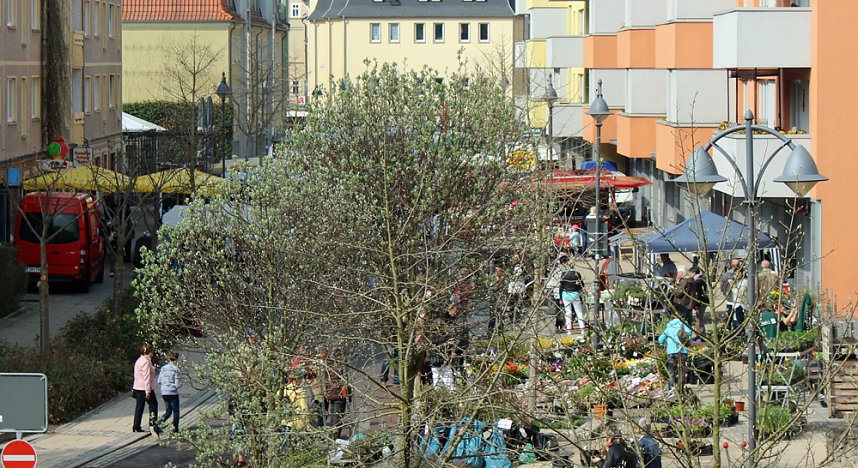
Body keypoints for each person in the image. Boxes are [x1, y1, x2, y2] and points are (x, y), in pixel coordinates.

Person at [658, 311, 692, 394]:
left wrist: (666, 342)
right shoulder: (684, 325)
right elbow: (690, 333)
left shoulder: (669, 327)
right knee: (682, 370)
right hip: (682, 351)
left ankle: (671, 389)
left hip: (671, 352)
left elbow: (660, 340)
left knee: (671, 370)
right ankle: (681, 389)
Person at [132, 343, 160, 438]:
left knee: (139, 407)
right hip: (145, 388)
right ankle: (153, 425)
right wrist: (148, 391)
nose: (152, 353)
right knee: (153, 405)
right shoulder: (146, 362)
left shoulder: (139, 360)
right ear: (149, 352)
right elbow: (146, 377)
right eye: (151, 351)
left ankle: (136, 426)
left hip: (137, 387)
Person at [324, 349, 349, 440]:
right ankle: (335, 436)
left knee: (333, 416)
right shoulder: (341, 368)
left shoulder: (328, 367)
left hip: (331, 396)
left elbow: (325, 381)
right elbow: (345, 384)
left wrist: (326, 394)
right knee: (338, 417)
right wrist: (346, 396)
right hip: (339, 395)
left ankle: (333, 435)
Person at [158, 351, 182, 433]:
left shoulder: (163, 368)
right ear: (176, 359)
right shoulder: (176, 369)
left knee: (168, 411)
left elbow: (159, 381)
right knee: (176, 411)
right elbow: (177, 384)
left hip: (164, 392)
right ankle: (175, 428)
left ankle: (157, 424)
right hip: (172, 393)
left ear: (168, 358)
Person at [559, 260, 586, 331]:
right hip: (575, 294)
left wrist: (560, 298)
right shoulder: (577, 274)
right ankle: (582, 326)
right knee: (578, 311)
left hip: (566, 294)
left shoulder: (564, 274)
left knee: (568, 311)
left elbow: (561, 286)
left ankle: (568, 327)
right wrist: (578, 288)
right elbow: (581, 284)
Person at [720, 259, 741, 327]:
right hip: (732, 298)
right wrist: (726, 293)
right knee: (731, 317)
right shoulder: (728, 274)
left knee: (734, 317)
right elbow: (723, 285)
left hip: (736, 299)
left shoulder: (727, 274)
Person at [729, 266, 749, 332]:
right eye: (735, 273)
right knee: (735, 322)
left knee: (740, 322)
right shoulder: (737, 281)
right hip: (736, 304)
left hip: (742, 304)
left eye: (737, 273)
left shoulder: (745, 282)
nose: (736, 275)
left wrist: (733, 287)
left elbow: (740, 294)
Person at [689, 266, 709, 331]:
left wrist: (695, 304)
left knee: (699, 319)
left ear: (694, 273)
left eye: (691, 273)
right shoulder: (702, 279)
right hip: (704, 301)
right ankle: (700, 333)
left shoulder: (698, 282)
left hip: (701, 302)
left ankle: (701, 334)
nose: (690, 275)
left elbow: (697, 294)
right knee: (699, 319)